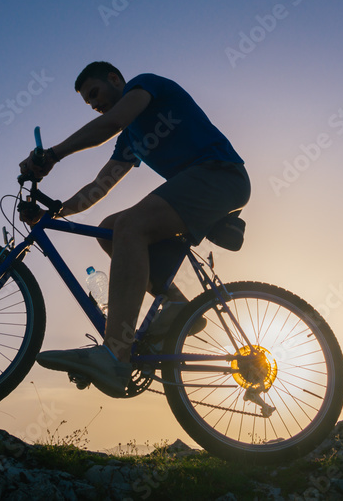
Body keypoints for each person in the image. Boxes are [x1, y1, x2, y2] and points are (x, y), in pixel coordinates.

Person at [18, 61, 249, 396]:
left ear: (115, 80)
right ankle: (177, 307)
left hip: (220, 175)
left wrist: (53, 154)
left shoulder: (144, 86)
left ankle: (114, 354)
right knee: (112, 228)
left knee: (129, 225)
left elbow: (111, 122)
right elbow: (100, 186)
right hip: (200, 185)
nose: (94, 105)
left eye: (94, 94)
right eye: (88, 103)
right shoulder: (131, 139)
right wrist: (51, 212)